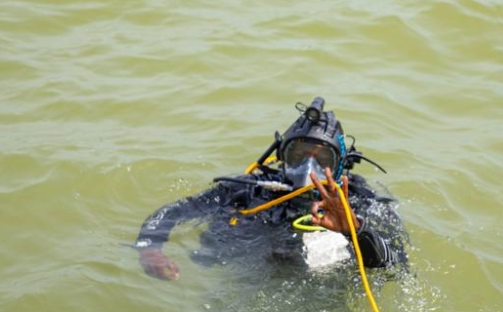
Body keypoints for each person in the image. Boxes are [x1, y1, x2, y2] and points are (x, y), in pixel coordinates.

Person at [134, 97, 409, 280]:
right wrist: (150, 249)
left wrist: (354, 229)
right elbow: (176, 211)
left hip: (327, 296)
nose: (308, 168)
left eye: (322, 159)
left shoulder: (361, 203)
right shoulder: (248, 190)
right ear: (281, 156)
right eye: (298, 155)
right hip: (253, 284)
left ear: (340, 166)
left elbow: (395, 264)